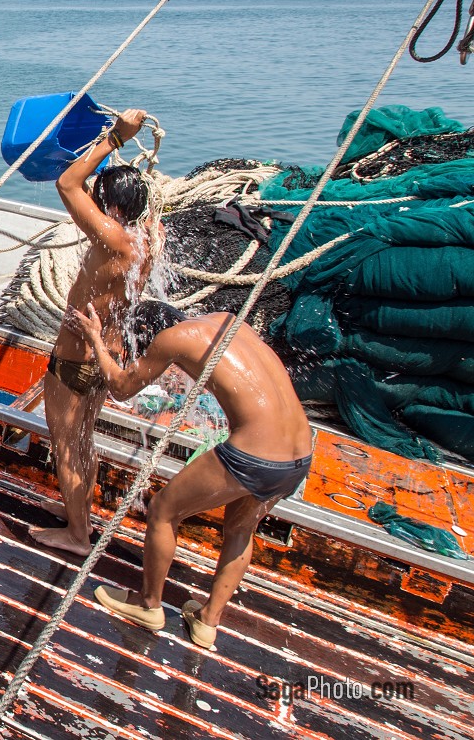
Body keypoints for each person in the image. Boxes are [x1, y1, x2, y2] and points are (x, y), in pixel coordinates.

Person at [74, 300, 312, 650]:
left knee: (163, 512)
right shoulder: (229, 320)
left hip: (254, 455)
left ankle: (148, 604)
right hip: (300, 455)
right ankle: (206, 622)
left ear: (149, 336)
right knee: (241, 529)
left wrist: (95, 338)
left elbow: (123, 387)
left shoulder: (173, 340)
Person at [30, 108, 156, 557]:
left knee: (66, 444)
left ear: (114, 209)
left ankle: (77, 536)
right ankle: (78, 511)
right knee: (84, 437)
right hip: (106, 356)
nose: (93, 207)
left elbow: (67, 183)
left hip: (73, 359)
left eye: (101, 202)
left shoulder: (114, 238)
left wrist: (116, 138)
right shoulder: (146, 240)